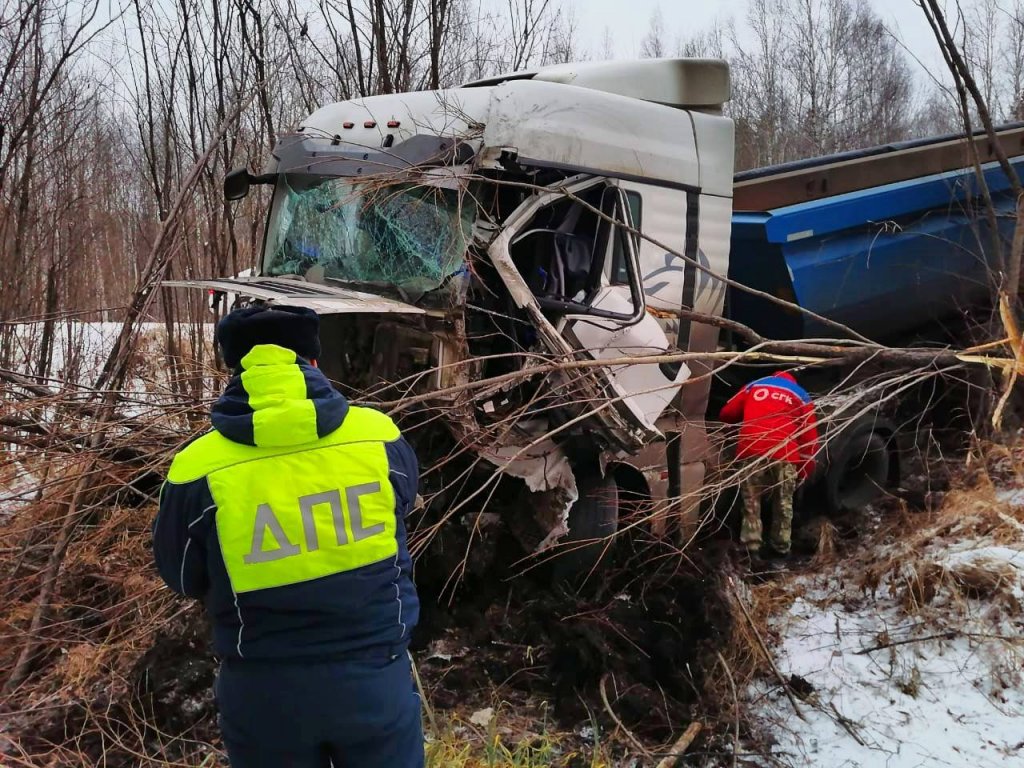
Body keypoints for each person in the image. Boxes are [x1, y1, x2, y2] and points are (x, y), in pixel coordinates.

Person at [152, 305, 423, 768]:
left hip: (263, 695)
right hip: (376, 683)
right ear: (313, 361)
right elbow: (404, 506)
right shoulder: (379, 438)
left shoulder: (196, 469)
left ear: (234, 369)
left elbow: (180, 576)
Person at [719, 371, 819, 559]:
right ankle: (780, 550)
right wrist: (804, 470)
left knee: (751, 501)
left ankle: (751, 548)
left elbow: (726, 413)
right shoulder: (801, 394)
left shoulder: (754, 385)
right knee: (783, 503)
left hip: (751, 448)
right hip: (785, 453)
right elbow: (809, 438)